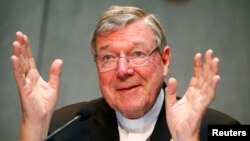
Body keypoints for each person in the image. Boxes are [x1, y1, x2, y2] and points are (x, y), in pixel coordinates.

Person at [11, 6, 239, 141]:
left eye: (138, 54)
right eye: (108, 57)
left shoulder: (225, 129)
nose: (123, 71)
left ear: (164, 59)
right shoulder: (62, 127)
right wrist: (34, 128)